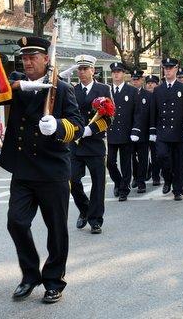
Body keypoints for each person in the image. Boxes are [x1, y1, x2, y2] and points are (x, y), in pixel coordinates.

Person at [0, 36, 84, 304]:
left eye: (33, 57)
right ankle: (30, 274)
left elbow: (77, 125)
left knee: (56, 229)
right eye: (24, 58)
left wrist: (57, 126)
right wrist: (18, 85)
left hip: (52, 171)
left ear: (46, 59)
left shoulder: (61, 88)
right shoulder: (15, 84)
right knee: (16, 222)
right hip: (23, 171)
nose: (27, 62)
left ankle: (53, 280)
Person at [70, 54, 112, 234]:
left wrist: (91, 129)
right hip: (76, 144)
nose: (82, 72)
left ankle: (95, 220)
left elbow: (109, 118)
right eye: (79, 69)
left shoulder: (104, 89)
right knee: (72, 180)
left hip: (94, 144)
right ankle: (84, 209)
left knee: (98, 183)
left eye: (85, 69)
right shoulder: (71, 90)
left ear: (93, 70)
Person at [149, 58, 183, 201]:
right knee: (162, 156)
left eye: (170, 68)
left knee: (179, 163)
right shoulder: (158, 89)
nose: (167, 70)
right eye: (165, 68)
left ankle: (178, 190)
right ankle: (167, 179)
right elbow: (153, 112)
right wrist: (152, 131)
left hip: (179, 132)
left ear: (176, 69)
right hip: (163, 132)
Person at [107, 62, 140, 201]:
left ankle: (124, 188)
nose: (116, 74)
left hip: (127, 133)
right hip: (112, 132)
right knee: (110, 162)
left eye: (119, 71)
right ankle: (118, 182)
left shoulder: (131, 91)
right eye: (114, 72)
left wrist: (135, 130)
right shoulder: (107, 91)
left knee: (126, 163)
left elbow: (137, 113)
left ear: (123, 74)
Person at [129, 69, 150, 193]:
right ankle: (135, 177)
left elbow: (151, 114)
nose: (135, 81)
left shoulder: (148, 95)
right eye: (133, 79)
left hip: (144, 131)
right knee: (132, 157)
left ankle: (141, 181)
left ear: (142, 80)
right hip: (130, 131)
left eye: (137, 79)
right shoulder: (129, 93)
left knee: (143, 157)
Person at [144, 75, 161, 186]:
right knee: (143, 155)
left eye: (153, 82)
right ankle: (143, 174)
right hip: (143, 129)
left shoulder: (160, 95)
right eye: (148, 82)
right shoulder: (140, 95)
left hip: (156, 129)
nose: (150, 84)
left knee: (155, 155)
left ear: (157, 84)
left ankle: (156, 176)